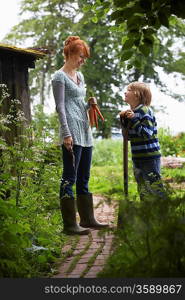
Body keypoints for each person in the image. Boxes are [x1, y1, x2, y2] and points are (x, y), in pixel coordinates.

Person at [51, 36, 108, 235]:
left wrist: (89, 104)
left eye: (84, 57)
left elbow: (76, 104)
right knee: (69, 177)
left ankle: (87, 219)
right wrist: (66, 133)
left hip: (85, 131)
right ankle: (69, 225)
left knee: (84, 177)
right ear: (70, 54)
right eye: (81, 56)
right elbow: (60, 107)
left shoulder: (80, 76)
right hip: (71, 133)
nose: (83, 60)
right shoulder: (59, 77)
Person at [119, 82, 165, 202]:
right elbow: (128, 137)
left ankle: (163, 213)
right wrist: (124, 122)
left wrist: (134, 119)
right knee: (143, 188)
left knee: (155, 186)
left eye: (128, 90)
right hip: (138, 157)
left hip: (150, 157)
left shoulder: (144, 111)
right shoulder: (131, 112)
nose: (125, 92)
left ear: (137, 95)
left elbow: (146, 134)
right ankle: (147, 213)